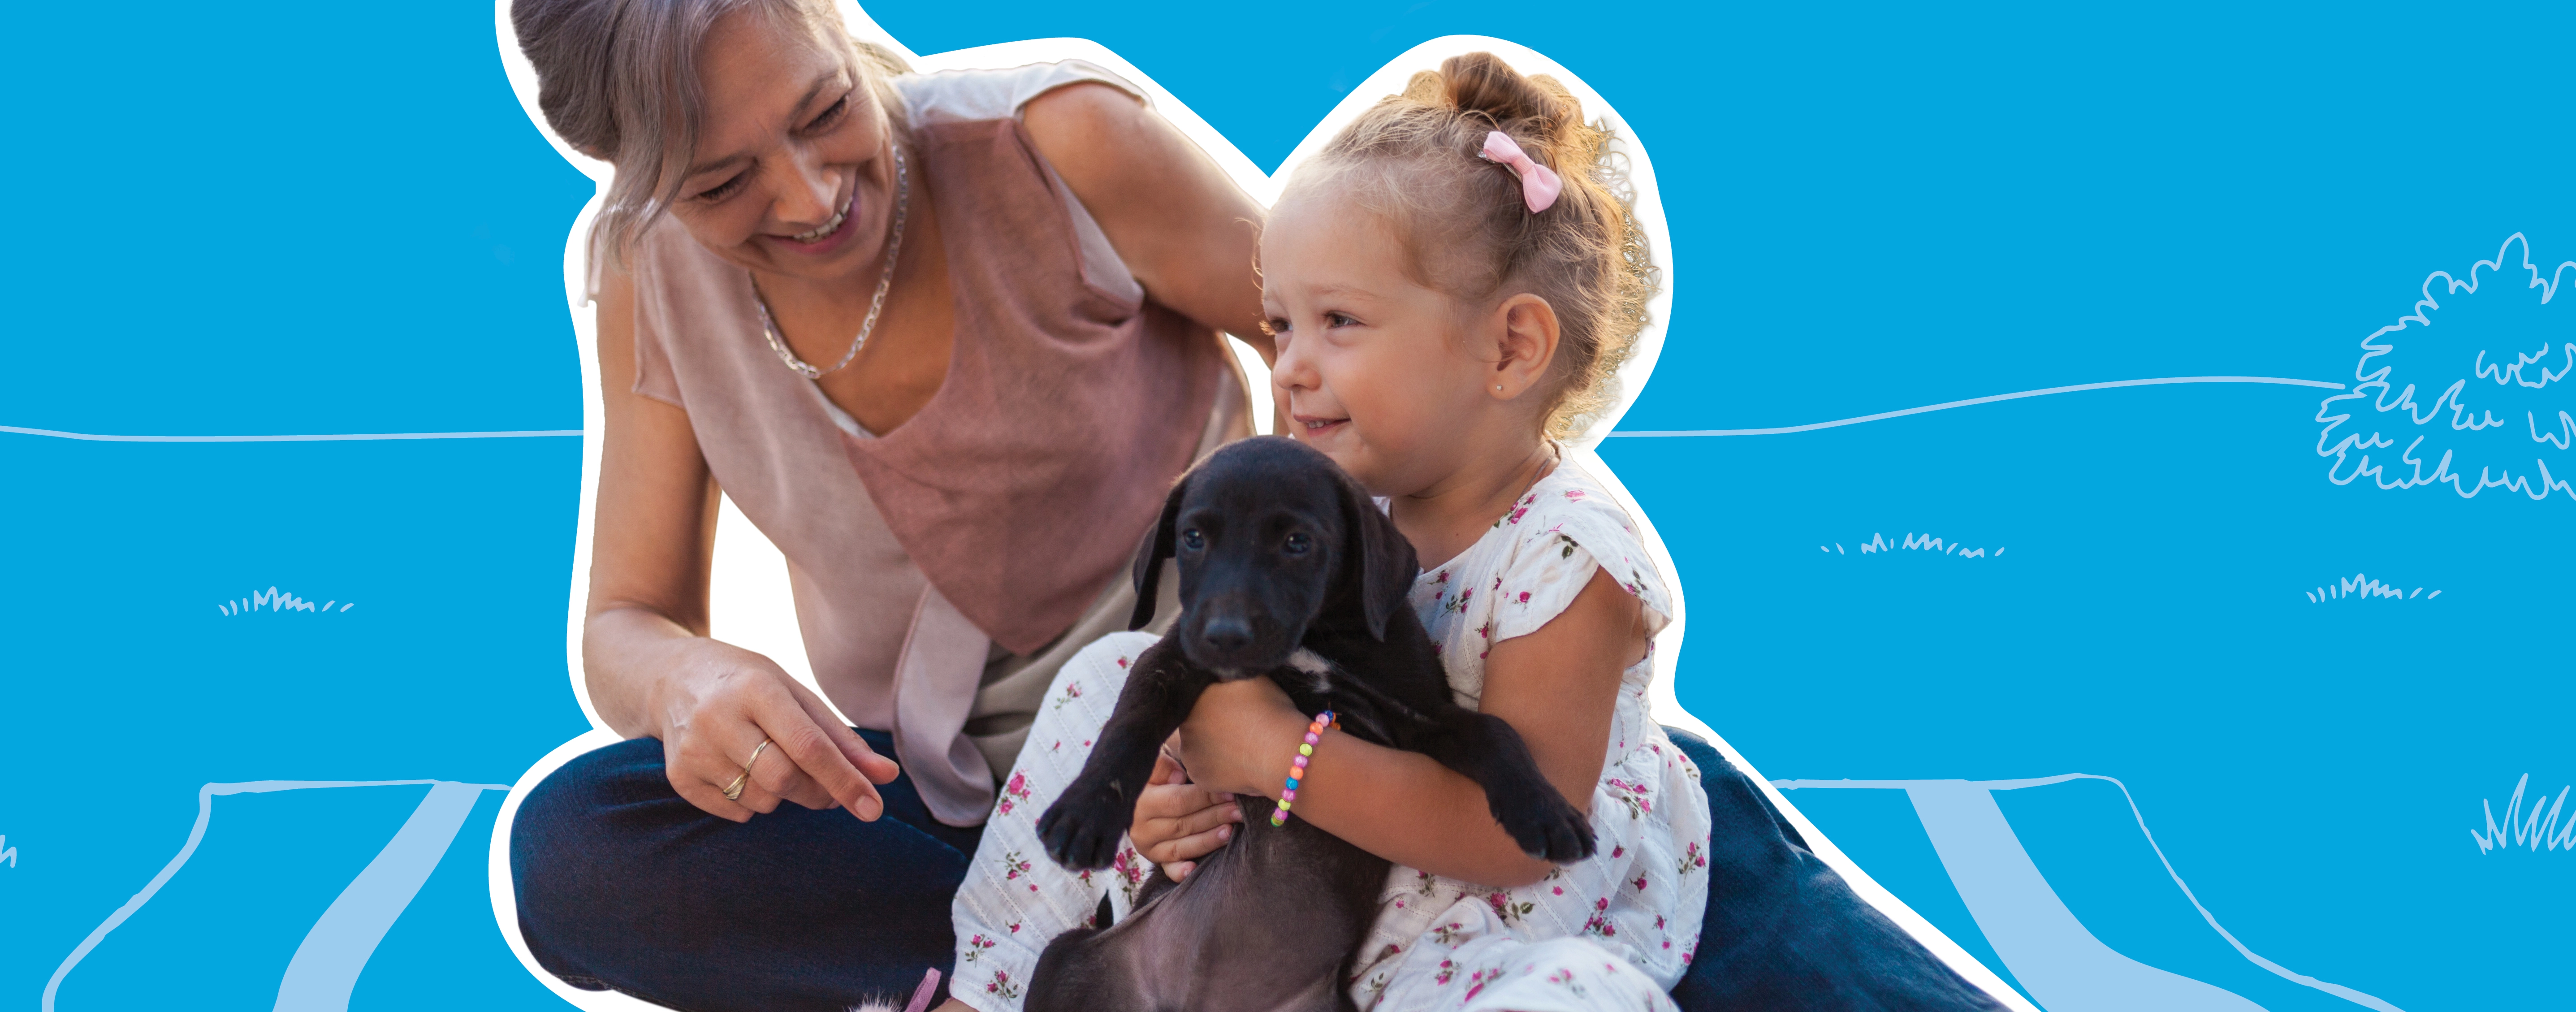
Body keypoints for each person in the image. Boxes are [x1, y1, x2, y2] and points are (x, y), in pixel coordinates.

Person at [497, 0, 1272, 1008]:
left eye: (824, 111)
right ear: (626, 172)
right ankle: (1079, 972)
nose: (811, 195)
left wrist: (1263, 688)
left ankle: (1026, 975)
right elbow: (623, 620)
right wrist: (686, 678)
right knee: (577, 847)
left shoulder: (1058, 141)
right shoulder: (651, 275)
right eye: (724, 183)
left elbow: (1357, 362)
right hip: (946, 810)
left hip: (1199, 758)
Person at [938, 52, 1710, 1012]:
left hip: (1470, 939)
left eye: (1337, 321)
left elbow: (1512, 840)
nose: (1291, 367)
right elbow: (1232, 699)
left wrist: (1275, 758)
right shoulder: (1342, 502)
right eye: (1278, 327)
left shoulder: (1567, 556)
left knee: (1580, 997)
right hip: (1278, 896)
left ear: (1509, 348)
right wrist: (1169, 796)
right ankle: (988, 993)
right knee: (1110, 678)